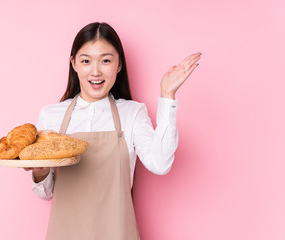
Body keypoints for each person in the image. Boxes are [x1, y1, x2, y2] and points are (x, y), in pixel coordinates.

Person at [24, 22, 201, 240]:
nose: (96, 71)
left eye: (106, 60)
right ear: (74, 64)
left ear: (118, 65)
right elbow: (46, 193)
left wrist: (167, 95)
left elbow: (160, 163)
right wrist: (39, 171)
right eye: (86, 61)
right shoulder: (51, 115)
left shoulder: (133, 113)